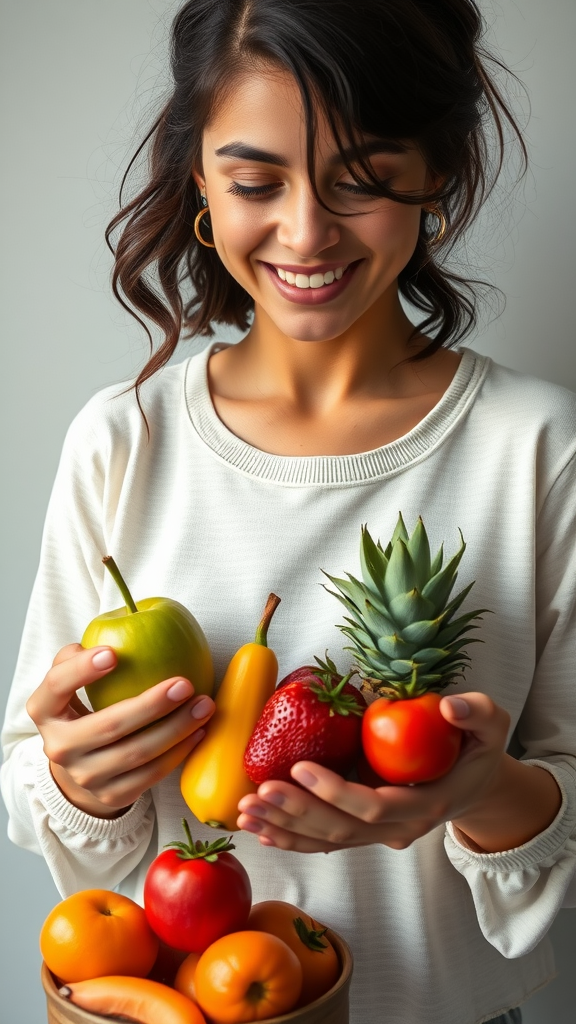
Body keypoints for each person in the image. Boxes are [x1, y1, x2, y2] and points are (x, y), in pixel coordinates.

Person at [2, 2, 575, 1023]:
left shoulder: (540, 448)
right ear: (200, 187)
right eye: (256, 181)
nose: (306, 232)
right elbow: (36, 788)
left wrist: (480, 792)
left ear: (436, 171)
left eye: (362, 179)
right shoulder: (122, 438)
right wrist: (76, 776)